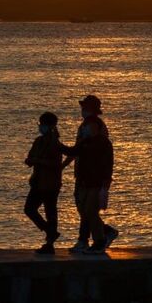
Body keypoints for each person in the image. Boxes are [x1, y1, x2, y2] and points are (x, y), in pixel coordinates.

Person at [61, 94, 118, 254]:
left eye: (85, 107)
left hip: (95, 177)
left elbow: (105, 161)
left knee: (89, 210)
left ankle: (96, 239)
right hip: (82, 175)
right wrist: (63, 166)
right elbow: (75, 150)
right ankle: (90, 237)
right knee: (83, 209)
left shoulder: (100, 137)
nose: (82, 110)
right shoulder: (85, 130)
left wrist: (106, 180)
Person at [24, 112, 62, 254]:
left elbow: (55, 163)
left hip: (51, 184)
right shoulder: (39, 141)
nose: (40, 127)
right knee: (29, 209)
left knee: (50, 212)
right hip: (38, 182)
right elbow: (30, 157)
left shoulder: (55, 143)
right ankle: (50, 231)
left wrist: (38, 161)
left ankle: (50, 243)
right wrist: (31, 160)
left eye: (42, 124)